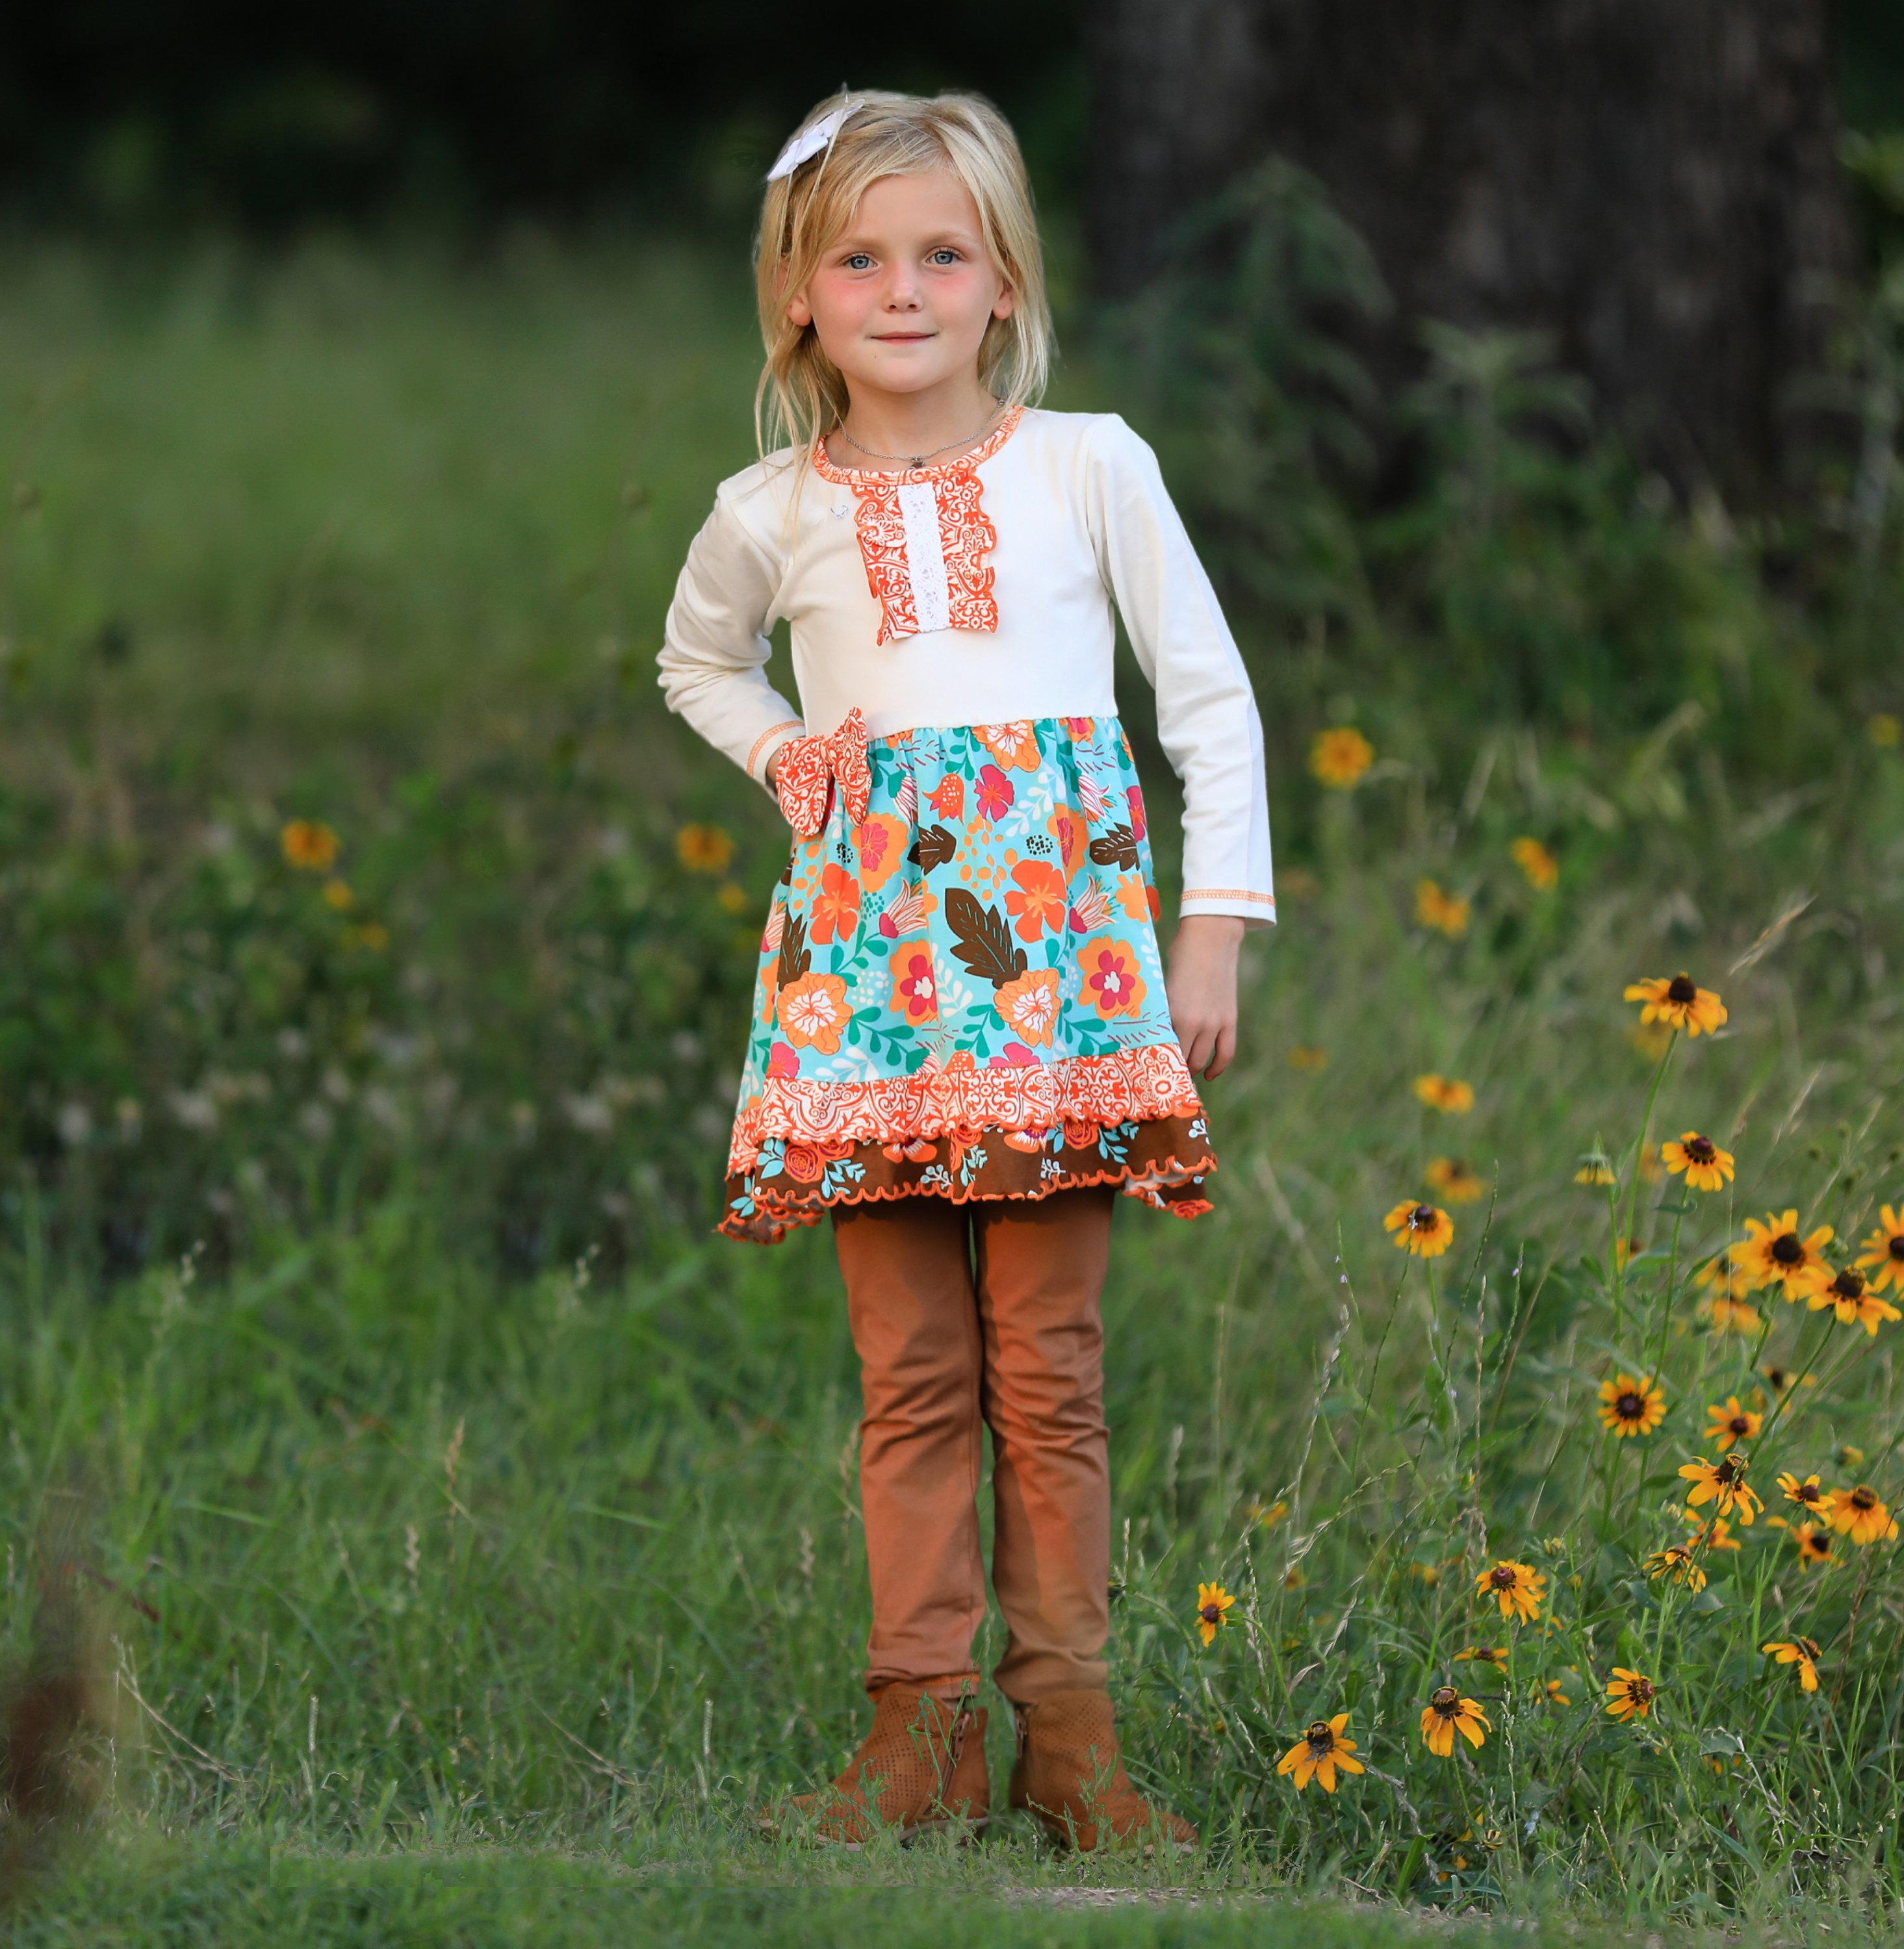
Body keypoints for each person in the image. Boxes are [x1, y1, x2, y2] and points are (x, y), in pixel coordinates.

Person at [658, 88, 1274, 1850]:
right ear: (800, 296)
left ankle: (1073, 1747)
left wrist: (1209, 927)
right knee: (913, 1374)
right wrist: (784, 751)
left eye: (943, 253)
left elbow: (1209, 697)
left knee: (1049, 1367)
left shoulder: (1091, 466)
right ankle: (911, 1745)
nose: (903, 287)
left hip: (1066, 991)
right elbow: (695, 662)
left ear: (1004, 284)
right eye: (860, 257)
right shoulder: (768, 507)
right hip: (871, 995)